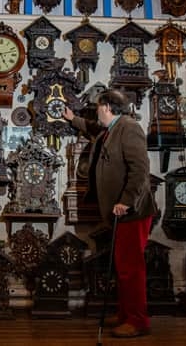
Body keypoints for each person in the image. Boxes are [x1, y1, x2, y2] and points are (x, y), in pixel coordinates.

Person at [63, 89, 155, 338]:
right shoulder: (111, 128)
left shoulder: (129, 127)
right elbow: (93, 127)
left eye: (97, 108)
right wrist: (73, 119)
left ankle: (138, 321)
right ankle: (126, 313)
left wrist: (126, 201)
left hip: (130, 211)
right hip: (118, 212)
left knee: (131, 268)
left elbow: (140, 170)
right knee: (122, 265)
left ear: (106, 107)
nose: (96, 112)